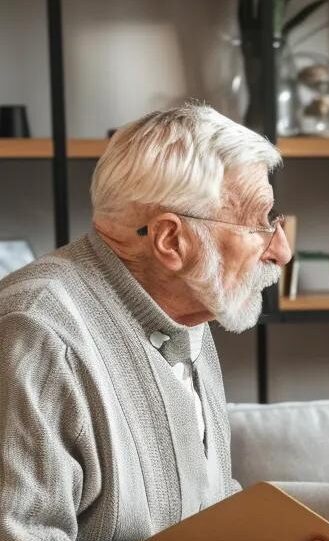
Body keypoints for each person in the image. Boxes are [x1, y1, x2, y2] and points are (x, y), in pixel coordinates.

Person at [0, 103, 292, 540]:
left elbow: (202, 506)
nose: (281, 250)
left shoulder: (188, 312)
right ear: (172, 240)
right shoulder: (37, 334)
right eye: (257, 223)